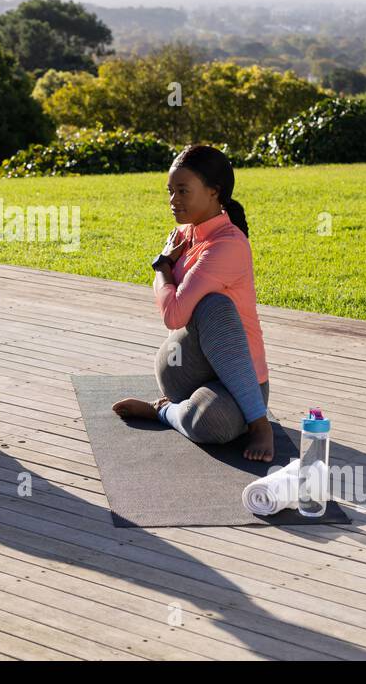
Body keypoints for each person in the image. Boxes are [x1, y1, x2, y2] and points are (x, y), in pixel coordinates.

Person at [112, 144, 275, 461]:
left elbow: (173, 314)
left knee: (213, 424)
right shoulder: (183, 234)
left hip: (241, 384)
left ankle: (174, 413)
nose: (174, 201)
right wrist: (164, 266)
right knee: (208, 304)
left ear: (214, 192)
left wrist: (163, 268)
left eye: (183, 191)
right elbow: (175, 315)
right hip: (184, 372)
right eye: (170, 191)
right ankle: (179, 409)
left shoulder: (228, 245)